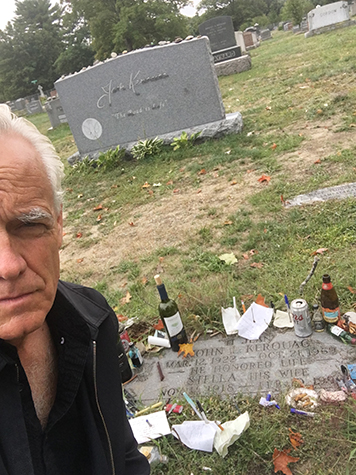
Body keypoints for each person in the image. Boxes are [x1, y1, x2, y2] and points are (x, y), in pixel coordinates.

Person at [0, 104, 150, 475]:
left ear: (60, 224)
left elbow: (124, 453)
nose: (8, 266)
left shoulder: (92, 320)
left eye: (29, 225)